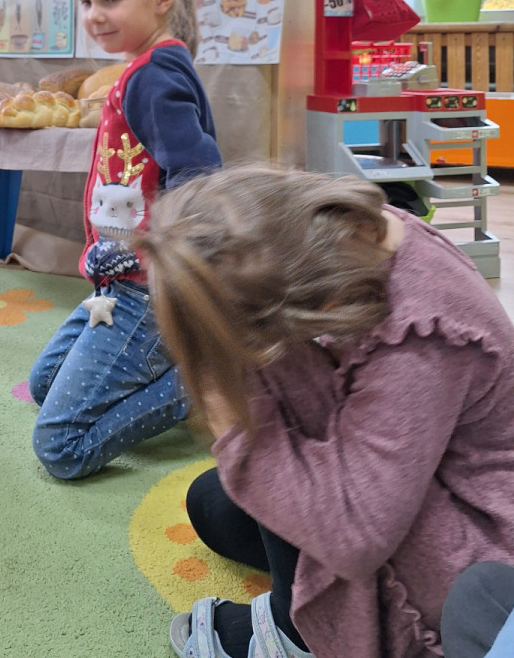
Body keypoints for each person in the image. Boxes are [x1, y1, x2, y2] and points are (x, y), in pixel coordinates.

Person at [139, 166, 514, 658]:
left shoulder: (421, 338)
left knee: (272, 456)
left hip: (474, 544)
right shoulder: (355, 233)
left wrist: (229, 408)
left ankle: (295, 634)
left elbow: (357, 537)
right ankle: (305, 597)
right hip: (406, 480)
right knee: (213, 503)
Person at [28, 0, 222, 480]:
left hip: (146, 292)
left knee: (61, 446)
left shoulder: (154, 77)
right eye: (86, 1)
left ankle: (202, 382)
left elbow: (200, 173)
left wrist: (169, 264)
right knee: (43, 385)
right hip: (116, 284)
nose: (95, 15)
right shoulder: (144, 69)